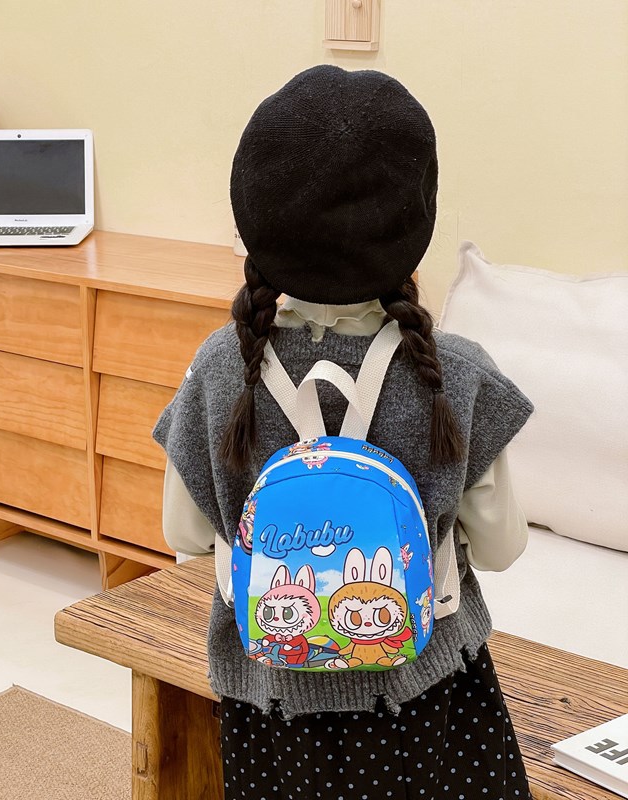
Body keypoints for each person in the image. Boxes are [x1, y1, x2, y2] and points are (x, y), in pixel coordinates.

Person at [153, 65, 534, 800]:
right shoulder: (455, 373)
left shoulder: (220, 367)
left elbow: (186, 534)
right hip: (426, 697)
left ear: (254, 215)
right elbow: (502, 549)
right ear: (414, 220)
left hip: (273, 701)